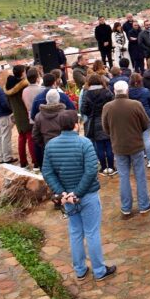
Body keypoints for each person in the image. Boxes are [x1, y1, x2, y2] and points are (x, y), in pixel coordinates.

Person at [41, 111, 116, 282]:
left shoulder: (51, 146)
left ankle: (80, 270)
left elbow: (47, 171)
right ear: (76, 124)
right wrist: (77, 193)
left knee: (75, 232)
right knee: (92, 232)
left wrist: (62, 193)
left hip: (67, 197)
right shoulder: (85, 143)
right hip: (86, 195)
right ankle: (99, 270)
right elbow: (91, 170)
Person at [101, 80, 150, 217]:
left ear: (114, 91)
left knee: (124, 176)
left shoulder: (107, 107)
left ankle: (126, 207)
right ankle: (143, 204)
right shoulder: (136, 105)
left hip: (118, 146)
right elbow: (146, 123)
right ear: (127, 91)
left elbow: (105, 128)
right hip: (135, 145)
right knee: (140, 175)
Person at [80, 74, 116, 176]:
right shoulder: (107, 91)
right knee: (109, 144)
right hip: (107, 121)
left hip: (94, 122)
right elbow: (113, 103)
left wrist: (91, 114)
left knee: (99, 145)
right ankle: (111, 167)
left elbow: (83, 109)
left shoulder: (87, 93)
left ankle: (104, 167)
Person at [4, 65, 35, 169]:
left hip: (17, 115)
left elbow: (8, 103)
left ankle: (23, 162)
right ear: (22, 73)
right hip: (25, 114)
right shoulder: (24, 87)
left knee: (21, 138)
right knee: (30, 138)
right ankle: (35, 161)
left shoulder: (9, 86)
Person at [128, 73, 150, 167]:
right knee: (146, 137)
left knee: (138, 137)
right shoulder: (145, 91)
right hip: (146, 114)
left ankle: (142, 154)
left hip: (134, 116)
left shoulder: (128, 93)